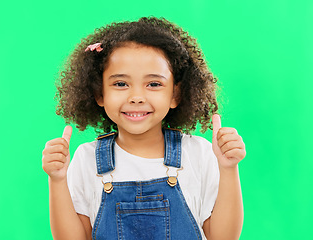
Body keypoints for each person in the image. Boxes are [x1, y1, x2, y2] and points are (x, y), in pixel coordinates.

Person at [42, 17, 246, 240]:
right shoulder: (86, 159)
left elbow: (223, 237)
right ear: (100, 93)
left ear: (175, 94)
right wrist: (57, 180)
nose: (137, 97)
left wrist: (228, 169)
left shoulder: (198, 154)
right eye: (121, 84)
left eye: (153, 84)